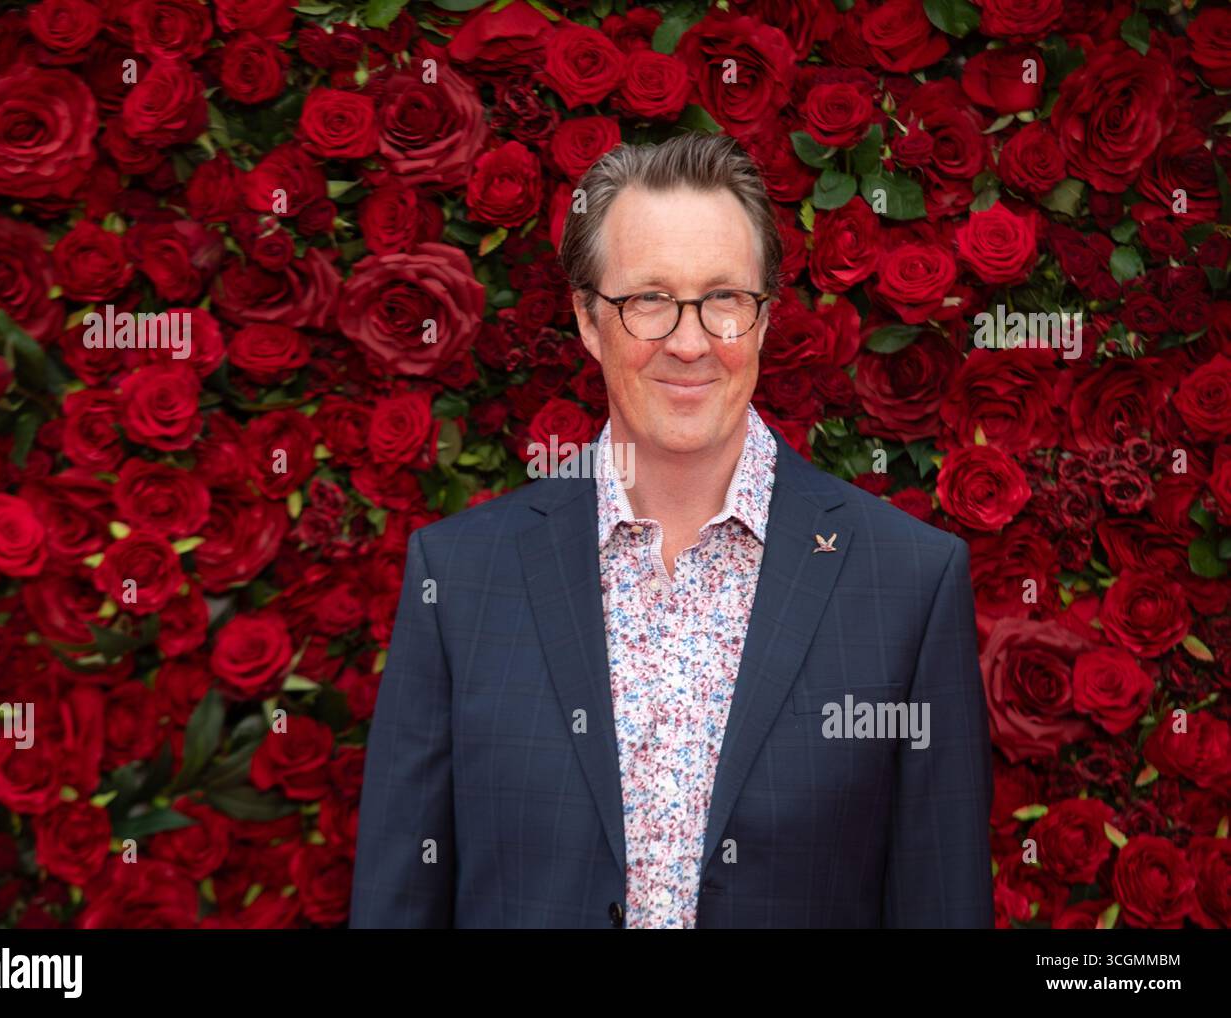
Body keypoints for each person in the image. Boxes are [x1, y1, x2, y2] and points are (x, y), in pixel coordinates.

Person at [349, 132, 994, 929]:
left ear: (764, 319)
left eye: (723, 298)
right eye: (648, 299)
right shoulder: (460, 581)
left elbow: (942, 902)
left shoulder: (907, 583)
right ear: (588, 319)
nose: (689, 344)